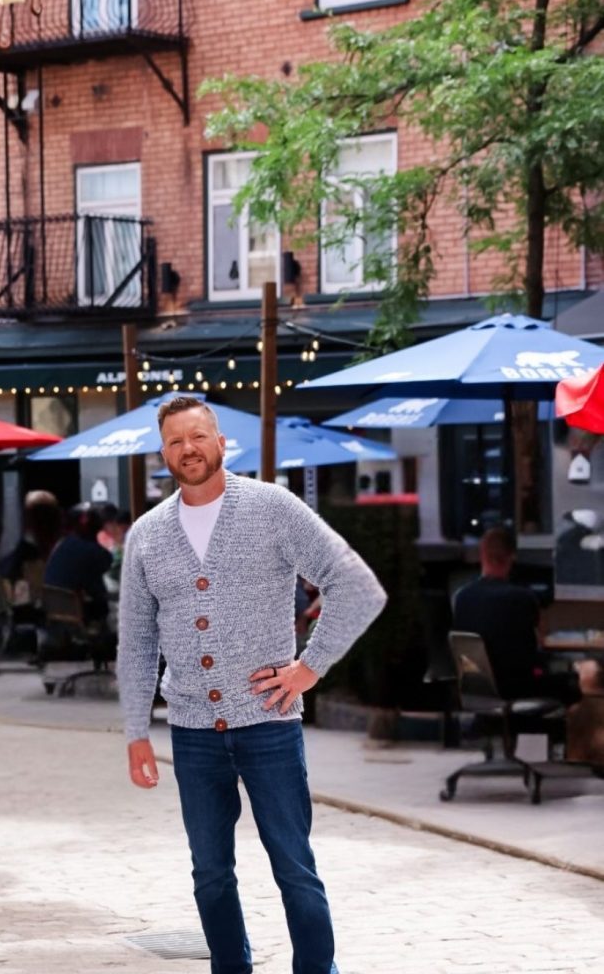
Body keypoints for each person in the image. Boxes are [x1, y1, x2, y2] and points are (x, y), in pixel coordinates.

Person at [117, 396, 387, 974]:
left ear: (220, 442)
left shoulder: (273, 508)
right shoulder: (146, 535)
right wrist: (137, 731)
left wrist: (308, 668)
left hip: (270, 725)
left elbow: (356, 585)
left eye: (197, 436)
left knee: (293, 865)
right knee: (210, 873)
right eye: (174, 441)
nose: (187, 449)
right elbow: (137, 640)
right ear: (162, 453)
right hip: (192, 733)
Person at [452, 526, 580, 705]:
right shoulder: (522, 598)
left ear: (482, 555)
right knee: (574, 681)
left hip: (475, 690)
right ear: (511, 557)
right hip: (518, 689)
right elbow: (538, 644)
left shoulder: (461, 597)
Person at [44, 503, 113, 626]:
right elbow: (107, 561)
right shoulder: (90, 550)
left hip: (56, 612)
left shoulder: (64, 544)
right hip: (80, 614)